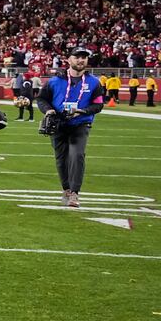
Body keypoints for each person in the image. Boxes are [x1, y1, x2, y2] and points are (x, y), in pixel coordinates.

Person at [36, 47, 106, 208]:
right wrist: (49, 110)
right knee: (61, 158)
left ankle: (74, 193)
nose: (81, 60)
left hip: (80, 123)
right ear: (69, 59)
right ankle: (66, 189)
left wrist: (82, 111)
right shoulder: (55, 81)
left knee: (77, 155)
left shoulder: (94, 82)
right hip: (58, 123)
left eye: (84, 57)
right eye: (77, 57)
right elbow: (41, 99)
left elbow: (98, 105)